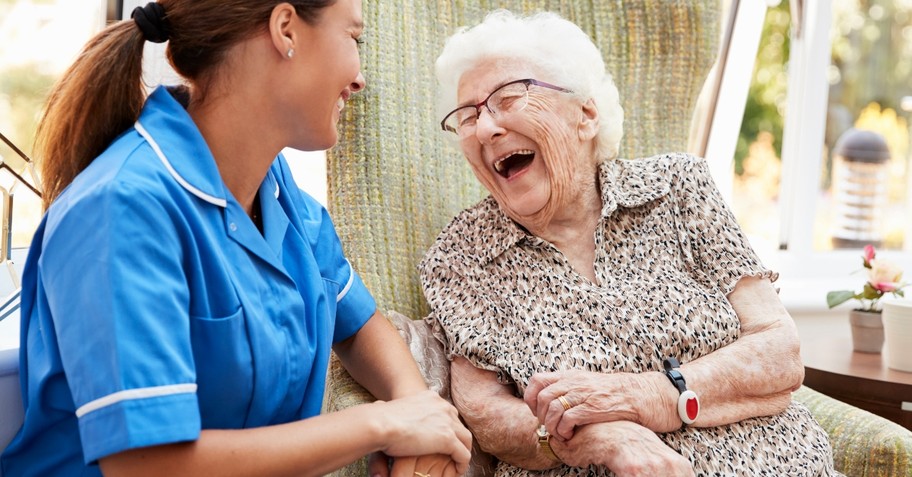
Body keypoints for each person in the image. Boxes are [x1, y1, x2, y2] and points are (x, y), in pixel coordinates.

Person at [0, 1, 472, 476]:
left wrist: (419, 415)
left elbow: (359, 323)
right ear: (286, 29)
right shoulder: (120, 208)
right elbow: (146, 464)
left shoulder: (276, 189)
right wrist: (383, 425)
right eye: (354, 38)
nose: (359, 77)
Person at [420, 10, 840, 477]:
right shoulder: (461, 256)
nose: (484, 129)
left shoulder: (678, 187)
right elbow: (485, 413)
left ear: (586, 113)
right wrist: (600, 437)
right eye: (468, 116)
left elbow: (779, 351)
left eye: (509, 97)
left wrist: (648, 397)